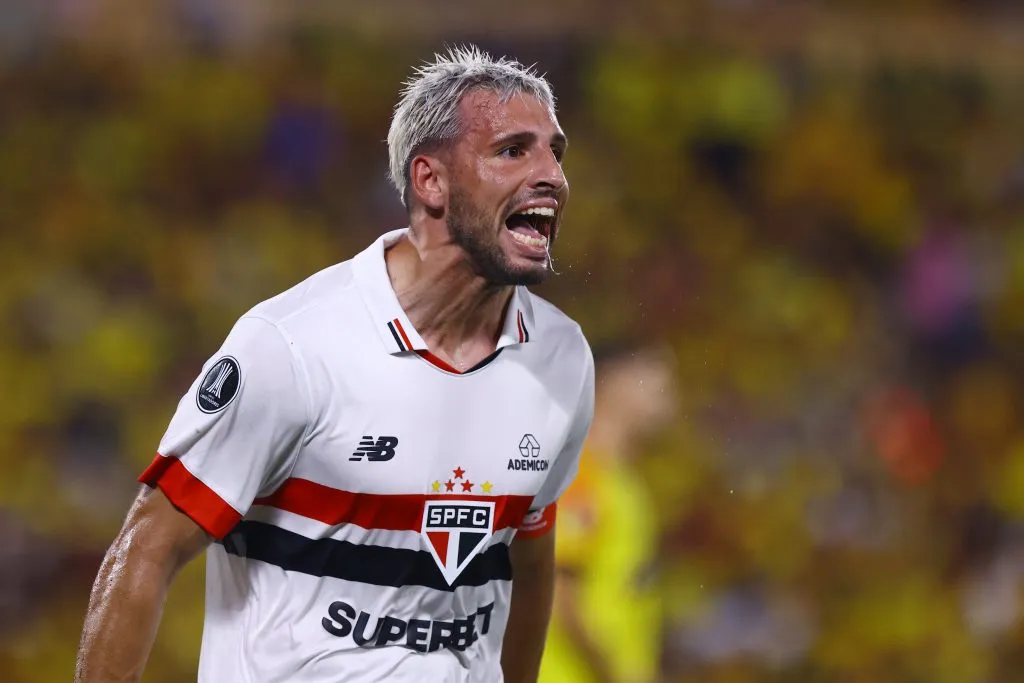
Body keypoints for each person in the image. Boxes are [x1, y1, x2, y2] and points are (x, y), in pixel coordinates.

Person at [75, 45, 594, 683]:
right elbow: (147, 551)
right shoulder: (293, 347)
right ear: (430, 181)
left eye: (555, 152)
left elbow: (529, 556)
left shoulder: (561, 359)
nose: (552, 176)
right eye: (513, 150)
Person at [539, 343, 677, 683]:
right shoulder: (580, 473)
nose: (671, 394)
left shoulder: (621, 480)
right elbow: (557, 595)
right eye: (657, 379)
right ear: (613, 382)